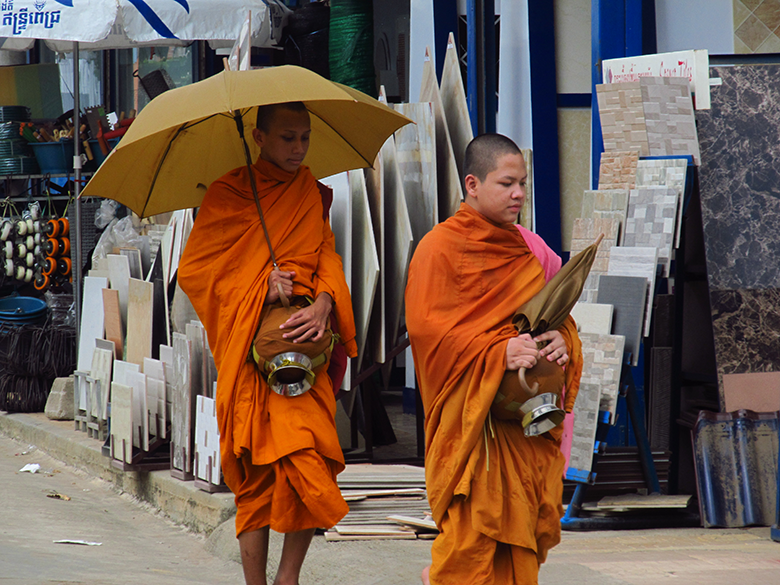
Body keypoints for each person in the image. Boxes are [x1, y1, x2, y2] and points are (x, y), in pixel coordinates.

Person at [178, 102, 357, 585]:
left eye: (304, 137)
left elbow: (326, 255)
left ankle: (289, 577)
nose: (298, 149)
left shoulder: (308, 192)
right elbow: (196, 272)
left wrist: (323, 301)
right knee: (255, 472)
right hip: (255, 353)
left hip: (309, 347)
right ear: (258, 138)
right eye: (287, 138)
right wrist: (261, 283)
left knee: (312, 456)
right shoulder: (228, 194)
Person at [405, 133, 583, 585]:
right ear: (472, 184)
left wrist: (562, 340)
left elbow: (557, 314)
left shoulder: (531, 248)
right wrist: (497, 351)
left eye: (522, 183)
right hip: (472, 427)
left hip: (520, 420)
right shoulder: (438, 248)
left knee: (521, 535)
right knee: (470, 543)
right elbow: (428, 332)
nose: (519, 193)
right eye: (506, 183)